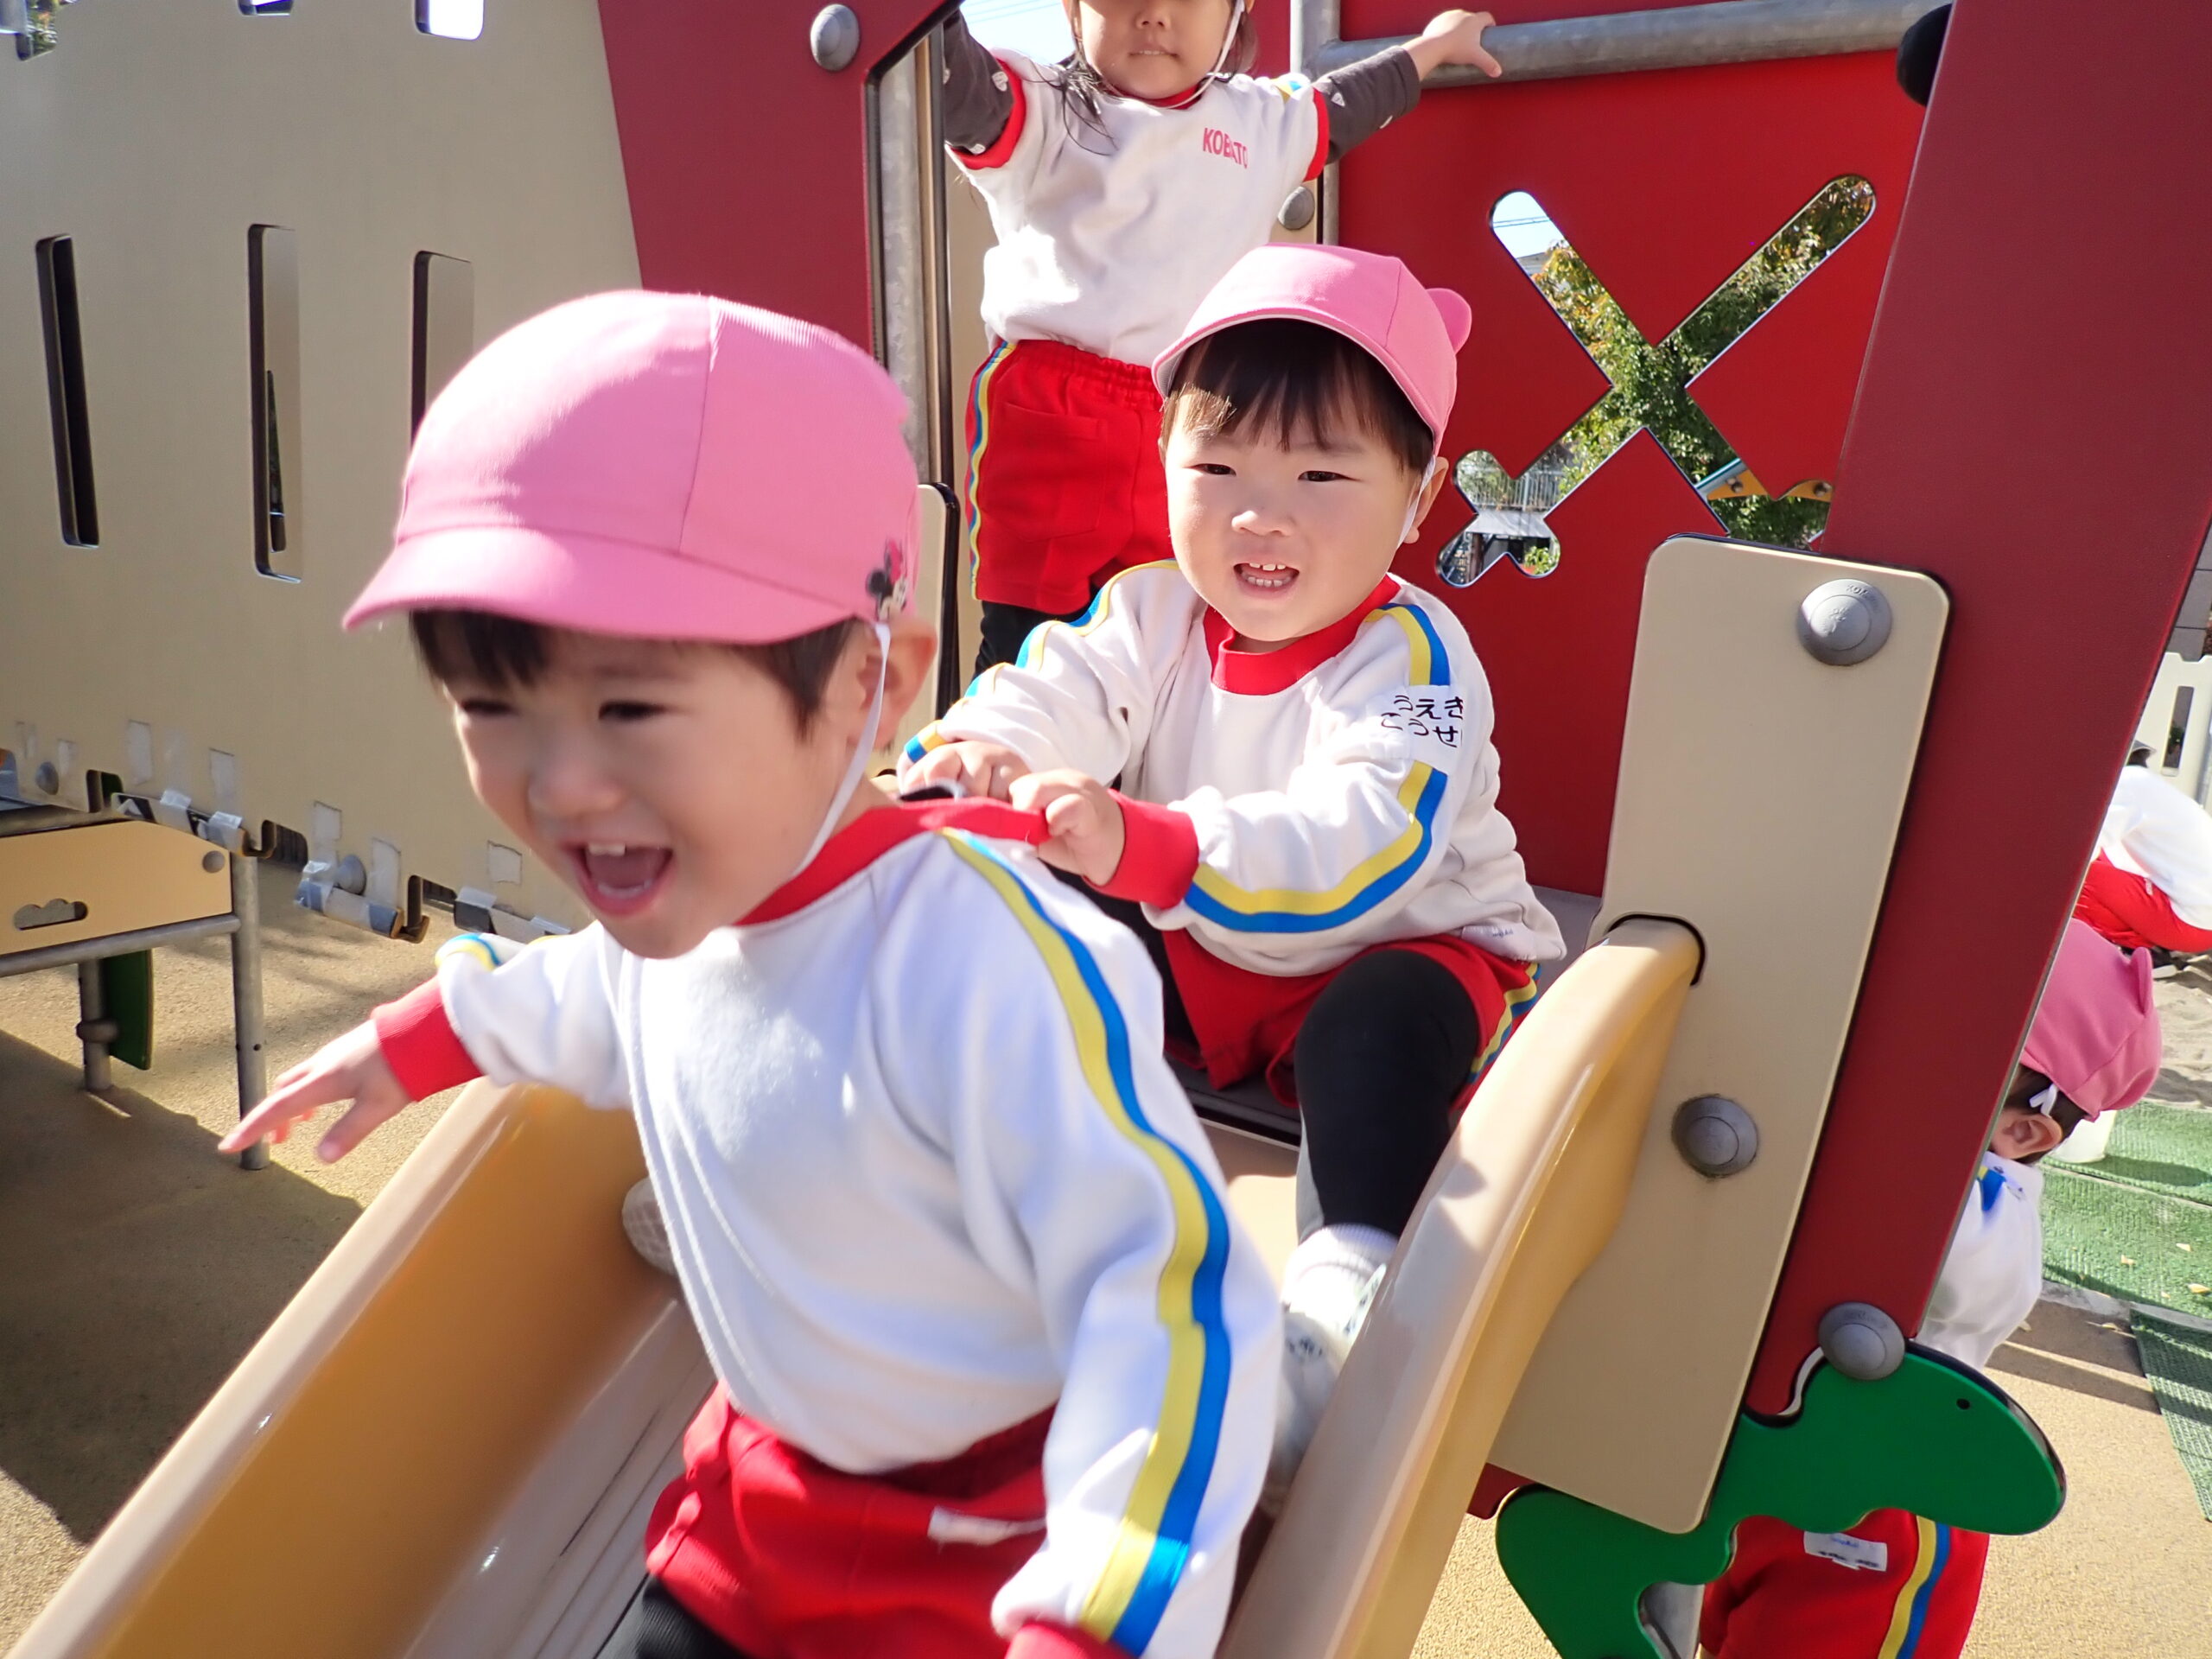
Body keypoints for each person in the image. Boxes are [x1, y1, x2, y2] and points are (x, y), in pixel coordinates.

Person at [218, 291, 1280, 1659]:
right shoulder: (684, 907)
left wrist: (1097, 1615)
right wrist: (421, 1039)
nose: (560, 783)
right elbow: (590, 996)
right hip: (756, 1511)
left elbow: (1167, 1298)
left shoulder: (982, 970)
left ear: (866, 684)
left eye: (630, 706)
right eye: (492, 707)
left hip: (993, 1547)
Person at [901, 243, 1565, 1499]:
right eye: (1216, 469)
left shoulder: (1414, 662)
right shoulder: (1148, 614)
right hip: (1210, 941)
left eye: (1321, 474)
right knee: (1033, 939)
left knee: (1373, 1037)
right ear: (1162, 464)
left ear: (1416, 498)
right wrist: (978, 757)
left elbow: (1362, 843)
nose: (1261, 514)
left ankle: (1337, 1315)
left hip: (1404, 948)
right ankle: (898, 1186)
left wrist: (1152, 844)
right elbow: (1053, 692)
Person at [940, 0, 1507, 671]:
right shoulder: (1042, 106)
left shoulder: (1262, 120)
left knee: (1175, 623)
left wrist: (1435, 46)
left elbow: (1349, 102)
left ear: (1236, 14)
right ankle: (1009, 729)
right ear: (1071, 9)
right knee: (1031, 629)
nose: (1154, 15)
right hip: (1057, 409)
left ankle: (1159, 736)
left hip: (1199, 416)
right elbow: (953, 79)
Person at [1700, 918, 2163, 1659]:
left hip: (1891, 1514)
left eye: (1945, 1054)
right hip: (1780, 1459)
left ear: (2023, 1133)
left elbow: (1916, 1237)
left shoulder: (1989, 1217)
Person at [2074, 740, 2212, 958]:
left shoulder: (2127, 783)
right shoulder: (2150, 786)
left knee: (2074, 879)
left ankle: (2143, 951)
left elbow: (2082, 850)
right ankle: (2149, 946)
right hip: (2200, 922)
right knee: (2099, 866)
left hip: (2191, 924)